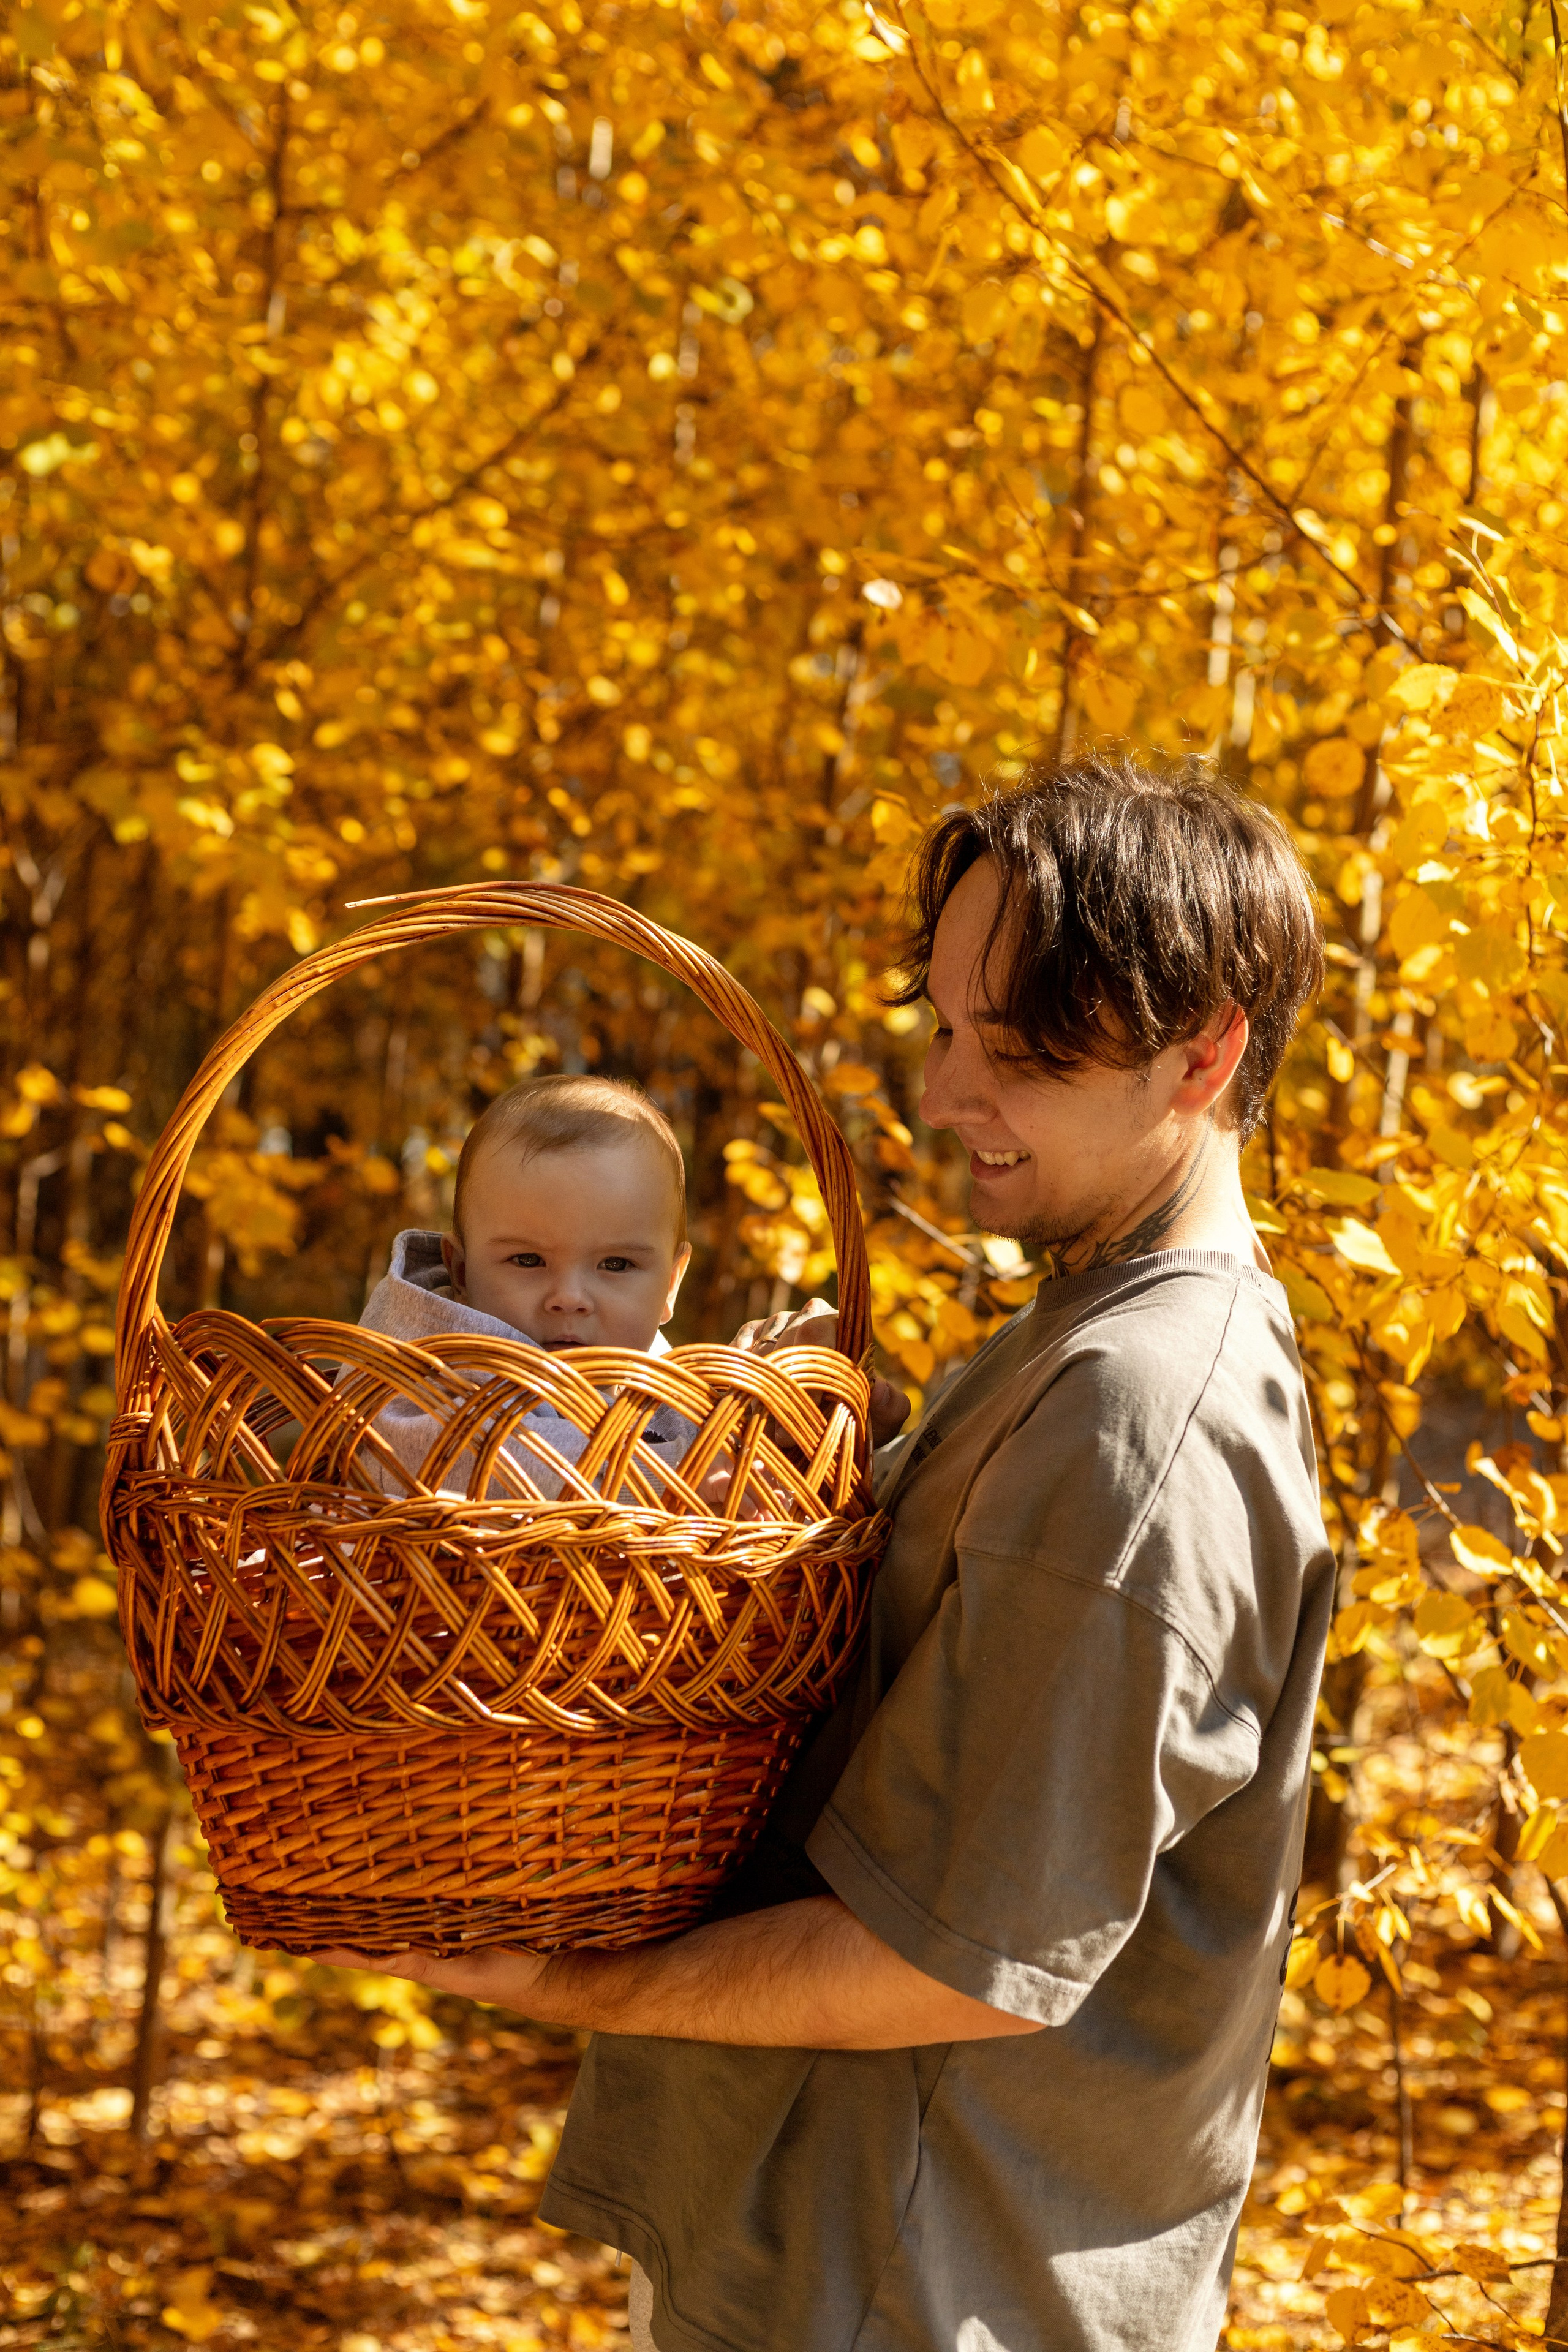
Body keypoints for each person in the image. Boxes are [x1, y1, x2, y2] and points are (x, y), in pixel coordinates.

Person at [320, 753, 1335, 2352]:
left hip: (923, 2288)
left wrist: (565, 1982)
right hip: (829, 2253)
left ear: (1202, 1054)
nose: (941, 1096)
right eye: (945, 1029)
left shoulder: (1142, 1414)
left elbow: (965, 1962)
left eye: (1017, 1053)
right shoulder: (1075, 1340)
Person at [349, 1072, 700, 1498]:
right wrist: (674, 1474)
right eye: (528, 1260)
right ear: (461, 1272)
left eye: (616, 1264)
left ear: (669, 1286)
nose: (569, 1298)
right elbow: (462, 1455)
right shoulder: (431, 1354)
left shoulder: (667, 1381)